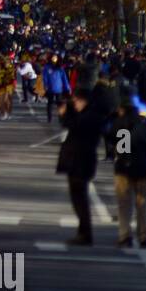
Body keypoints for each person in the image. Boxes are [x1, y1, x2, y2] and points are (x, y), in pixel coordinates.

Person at [57, 87, 104, 245]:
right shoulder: (89, 114)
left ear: (85, 101)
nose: (74, 103)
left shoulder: (90, 116)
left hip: (81, 161)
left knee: (80, 199)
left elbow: (74, 126)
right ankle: (83, 232)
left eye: (76, 100)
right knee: (78, 198)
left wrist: (64, 114)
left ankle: (85, 233)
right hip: (79, 160)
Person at [112, 95, 146, 247]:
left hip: (125, 168)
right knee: (142, 203)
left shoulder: (122, 124)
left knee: (124, 204)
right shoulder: (144, 124)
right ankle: (144, 236)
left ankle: (125, 235)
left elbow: (123, 148)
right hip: (143, 167)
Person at [42, 55, 70, 123]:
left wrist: (45, 86)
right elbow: (64, 79)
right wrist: (67, 88)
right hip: (56, 89)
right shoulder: (54, 68)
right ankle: (58, 118)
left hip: (53, 89)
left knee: (51, 103)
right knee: (57, 104)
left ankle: (51, 118)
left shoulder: (58, 68)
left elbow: (64, 79)